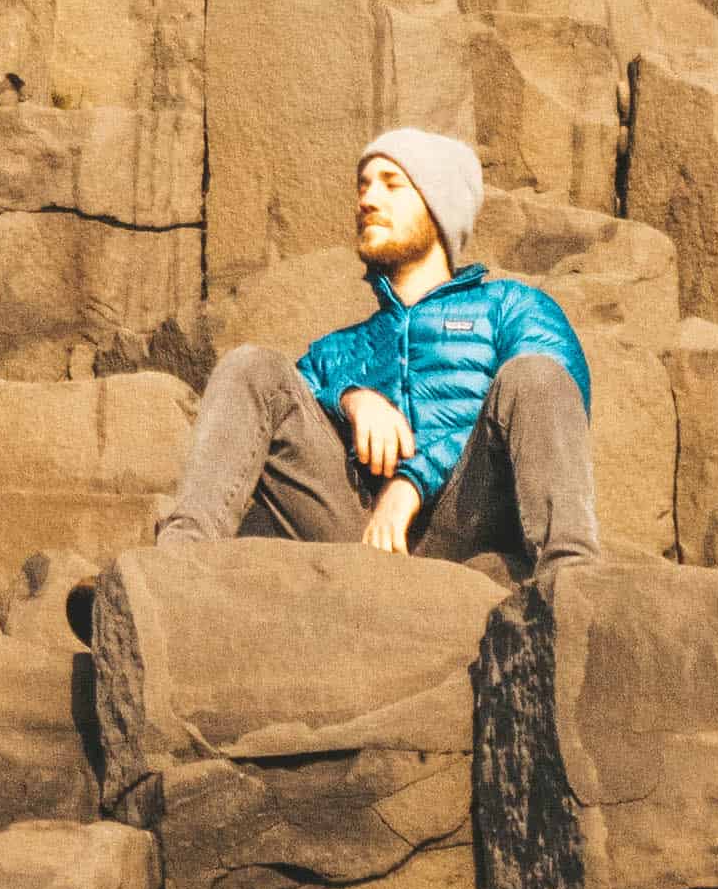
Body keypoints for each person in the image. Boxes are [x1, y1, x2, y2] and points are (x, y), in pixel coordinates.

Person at [160, 126, 599, 572]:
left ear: (438, 205)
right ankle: (177, 565)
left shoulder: (511, 306)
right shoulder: (337, 349)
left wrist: (413, 481)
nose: (367, 200)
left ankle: (570, 582)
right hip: (359, 534)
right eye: (364, 186)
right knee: (250, 367)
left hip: (472, 524)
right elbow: (274, 416)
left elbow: (558, 396)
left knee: (536, 374)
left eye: (391, 184)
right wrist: (350, 398)